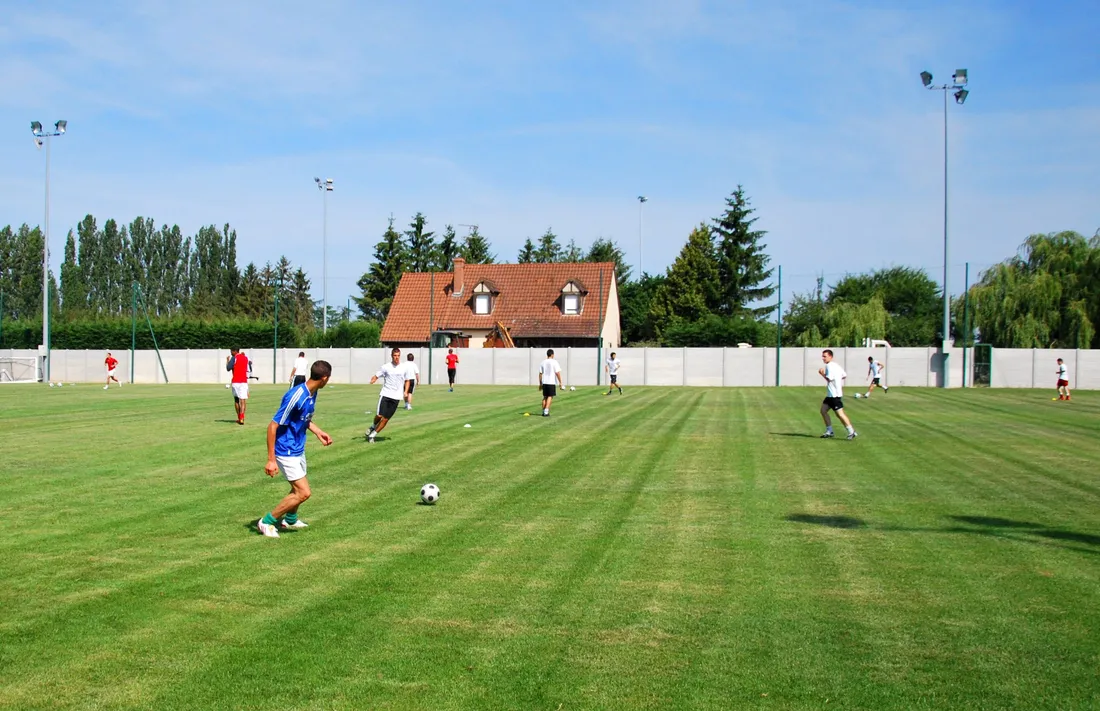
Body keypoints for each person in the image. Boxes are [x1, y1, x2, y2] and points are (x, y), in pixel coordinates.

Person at [257, 360, 333, 538]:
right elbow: (273, 426)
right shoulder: (295, 396)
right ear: (324, 378)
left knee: (297, 489)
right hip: (286, 450)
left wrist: (318, 432)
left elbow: (303, 418)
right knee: (303, 492)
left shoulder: (313, 392)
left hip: (298, 448)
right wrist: (271, 459)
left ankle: (290, 519)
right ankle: (266, 522)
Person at [367, 347, 406, 442]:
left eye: (398, 355)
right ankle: (373, 426)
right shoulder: (386, 367)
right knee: (379, 416)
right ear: (391, 356)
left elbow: (407, 380)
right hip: (385, 394)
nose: (396, 357)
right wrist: (373, 379)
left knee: (385, 419)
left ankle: (372, 435)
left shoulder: (403, 367)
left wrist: (406, 391)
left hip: (396, 397)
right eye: (395, 355)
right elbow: (376, 375)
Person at [819, 349, 857, 440]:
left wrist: (822, 374)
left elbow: (829, 379)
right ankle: (829, 431)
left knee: (840, 414)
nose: (823, 358)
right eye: (822, 356)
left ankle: (851, 432)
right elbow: (844, 375)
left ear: (830, 357)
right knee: (823, 411)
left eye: (825, 356)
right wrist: (837, 380)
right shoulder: (836, 365)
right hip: (830, 395)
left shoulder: (829, 366)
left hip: (834, 395)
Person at [226, 348, 250, 425]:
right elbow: (248, 370)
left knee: (236, 400)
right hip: (244, 382)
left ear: (235, 351)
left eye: (231, 352)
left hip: (236, 382)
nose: (231, 353)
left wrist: (227, 361)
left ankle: (239, 418)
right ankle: (242, 418)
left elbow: (228, 368)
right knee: (243, 401)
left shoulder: (234, 358)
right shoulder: (245, 358)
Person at [538, 348, 564, 417]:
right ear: (552, 355)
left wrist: (540, 384)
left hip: (544, 382)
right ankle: (546, 411)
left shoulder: (543, 362)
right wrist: (560, 382)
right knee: (550, 396)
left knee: (545, 397)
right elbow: (557, 373)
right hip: (551, 382)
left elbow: (540, 374)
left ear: (547, 355)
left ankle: (543, 411)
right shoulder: (554, 362)